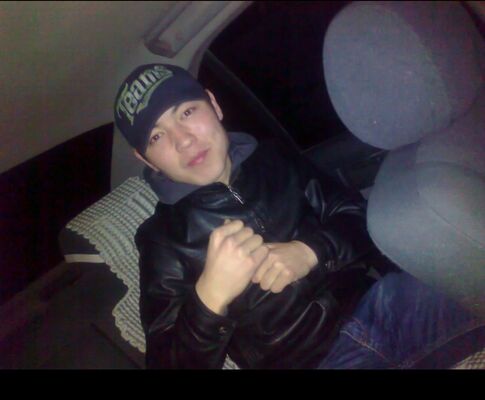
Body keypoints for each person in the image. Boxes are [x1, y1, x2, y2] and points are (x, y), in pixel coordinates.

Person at [114, 63, 485, 369]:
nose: (183, 140)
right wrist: (210, 296)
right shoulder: (162, 240)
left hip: (381, 304)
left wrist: (310, 251)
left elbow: (357, 215)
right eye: (157, 137)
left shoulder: (273, 159)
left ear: (213, 105)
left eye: (187, 112)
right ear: (146, 160)